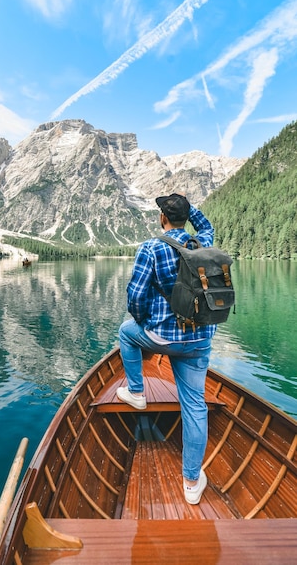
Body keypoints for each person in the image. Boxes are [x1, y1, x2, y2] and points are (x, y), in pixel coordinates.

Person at [117, 192, 216, 505]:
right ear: (186, 219)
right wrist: (189, 209)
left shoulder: (151, 247)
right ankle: (190, 482)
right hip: (199, 341)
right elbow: (207, 225)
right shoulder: (204, 243)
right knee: (195, 406)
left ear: (162, 218)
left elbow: (136, 296)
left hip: (162, 338)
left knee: (126, 333)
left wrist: (148, 322)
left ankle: (136, 393)